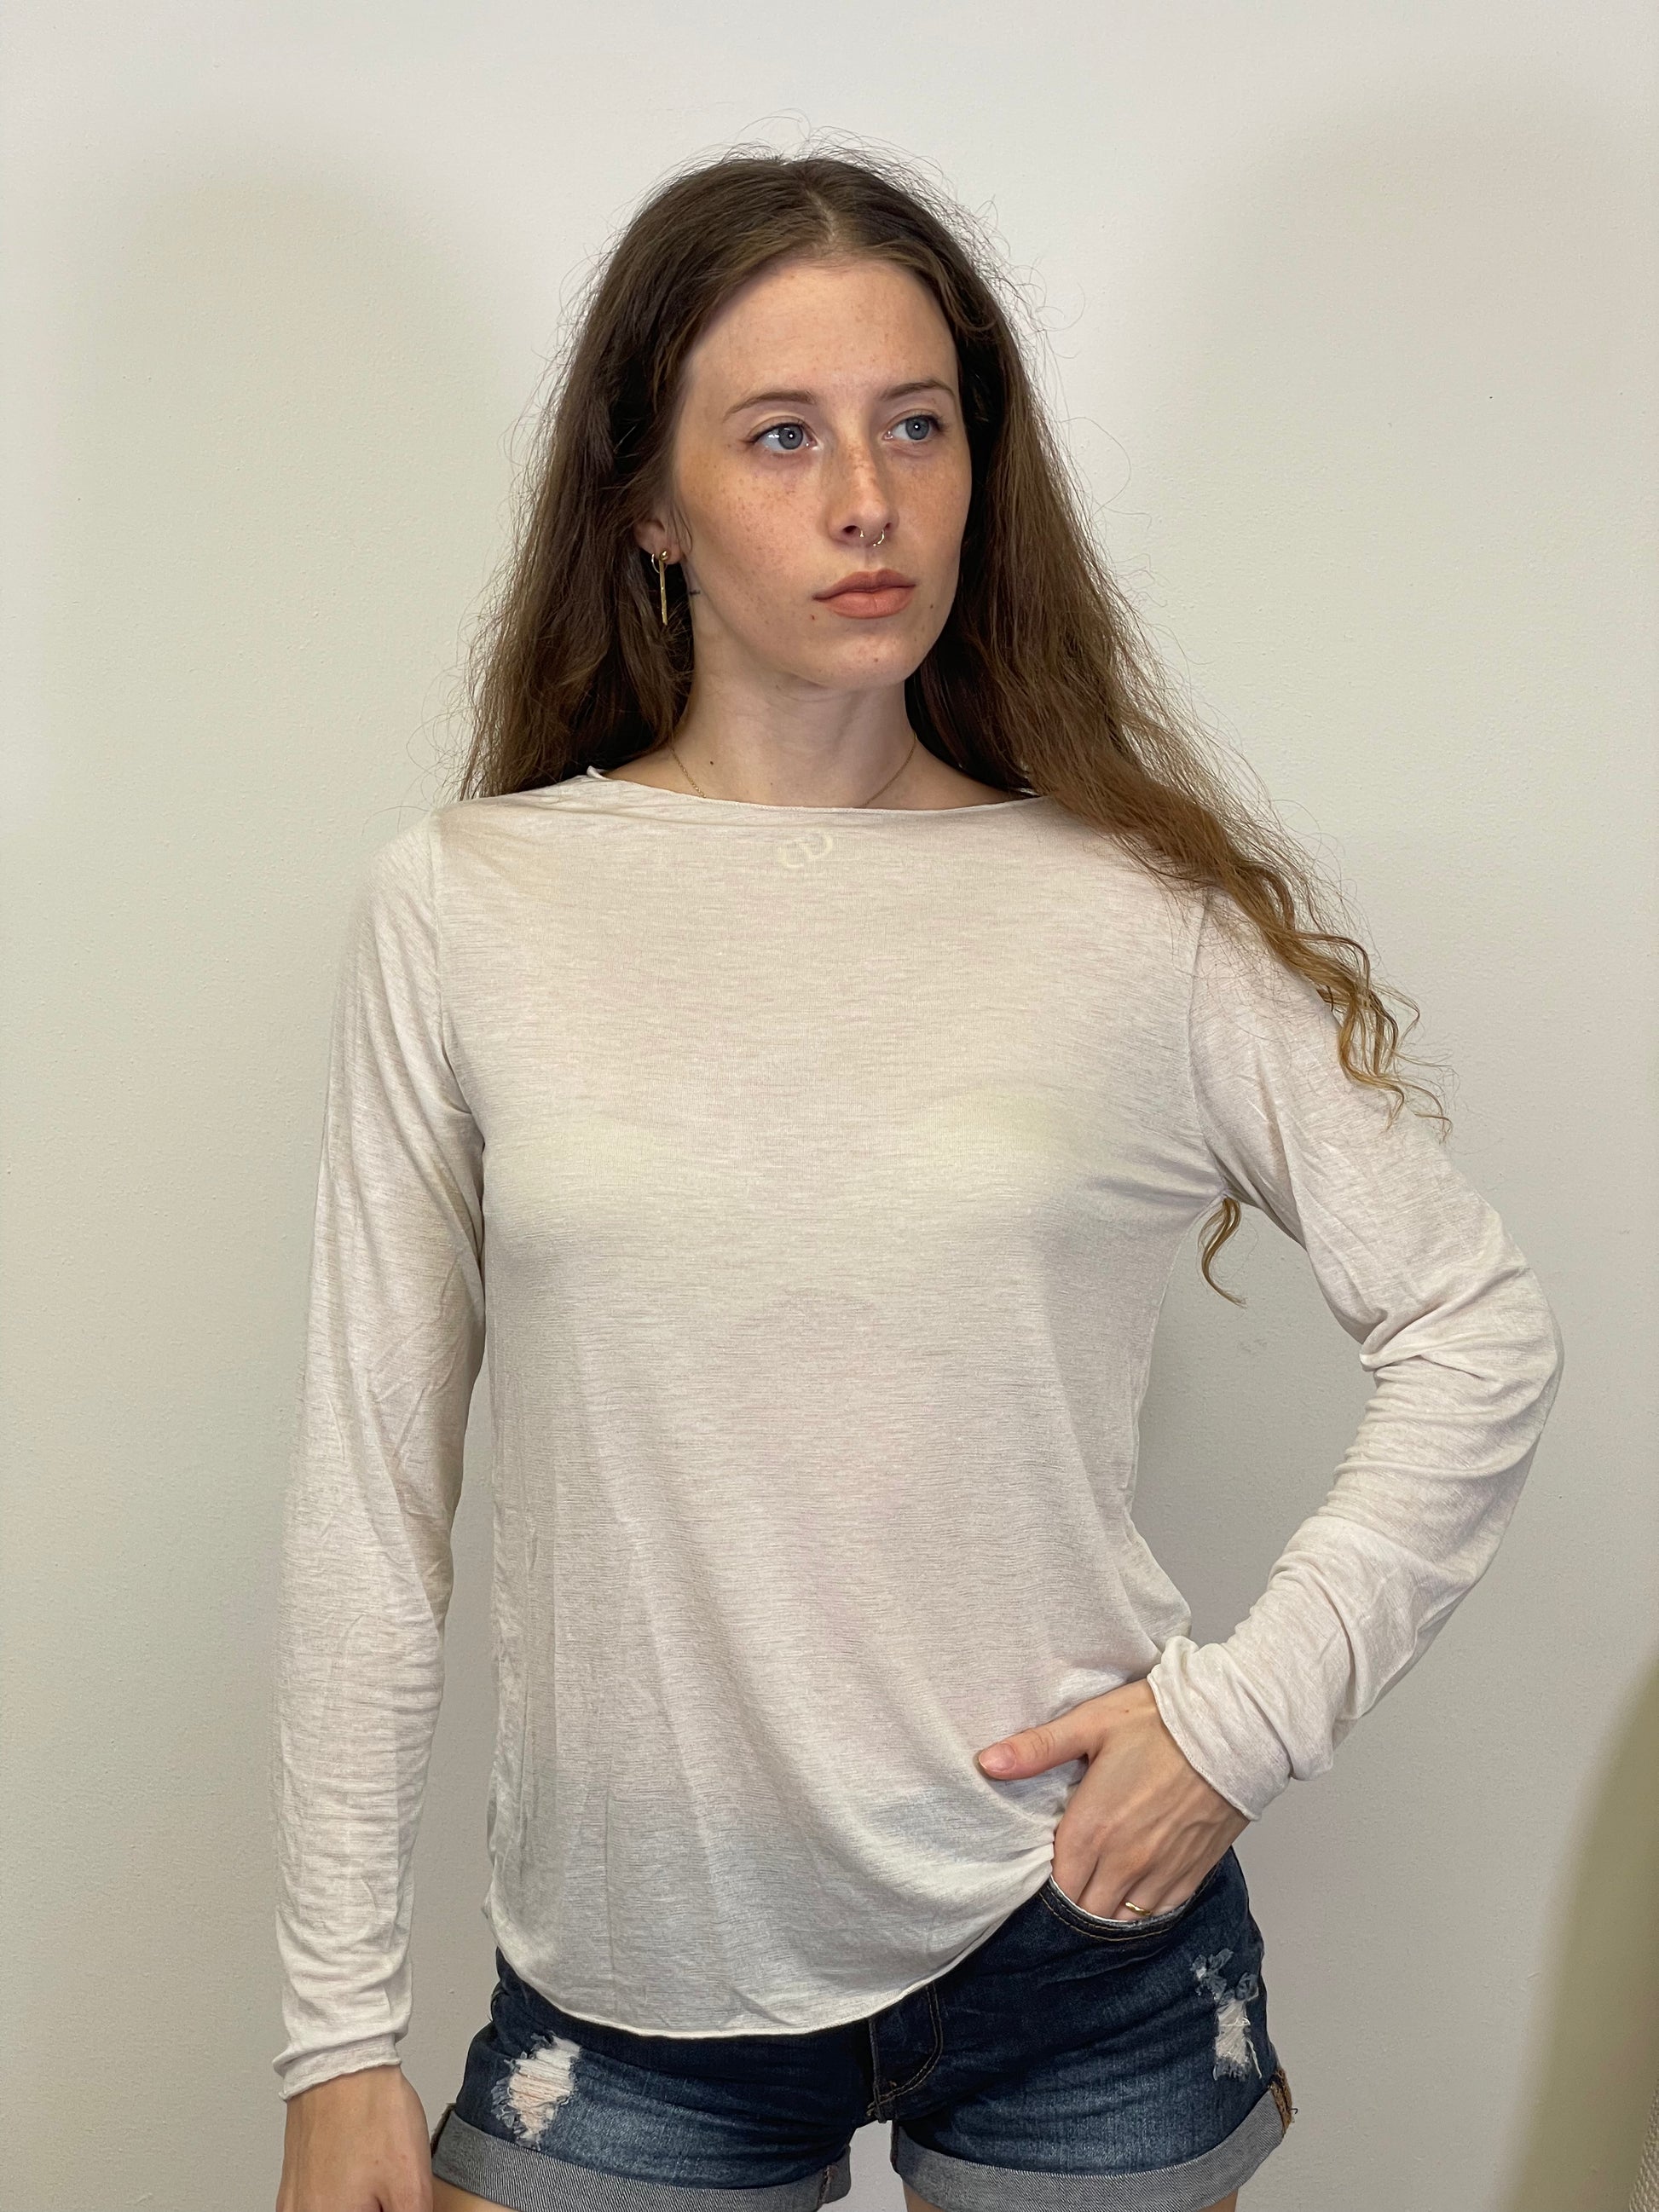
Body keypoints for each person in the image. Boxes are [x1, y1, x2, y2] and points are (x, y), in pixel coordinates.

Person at [271, 145, 1565, 2212]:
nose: (867, 498)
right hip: (633, 1976)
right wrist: (337, 2031)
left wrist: (1240, 1720)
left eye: (918, 424)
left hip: (1082, 1941)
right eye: (780, 434)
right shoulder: (469, 904)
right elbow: (370, 1496)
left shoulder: (1129, 910)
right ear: (647, 504)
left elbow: (1472, 1319)